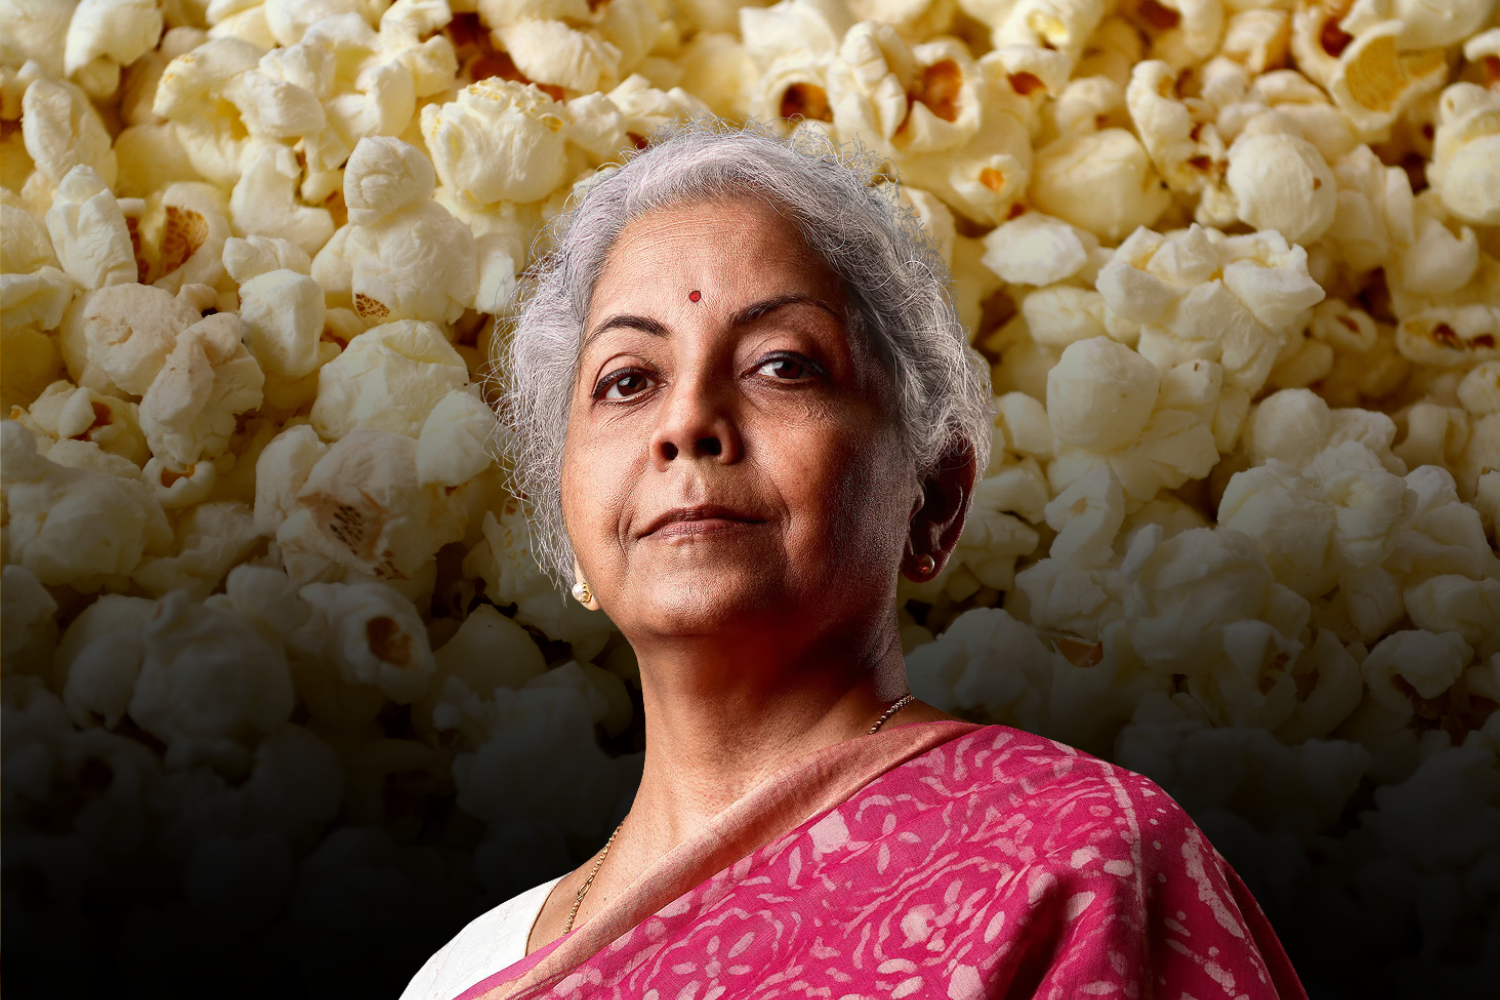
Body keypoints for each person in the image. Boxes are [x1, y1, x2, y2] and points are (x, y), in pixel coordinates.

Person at [399, 116, 1307, 1000]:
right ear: (569, 530)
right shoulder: (468, 976)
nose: (685, 424)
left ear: (935, 500)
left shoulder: (1079, 862)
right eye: (628, 380)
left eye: (782, 365)